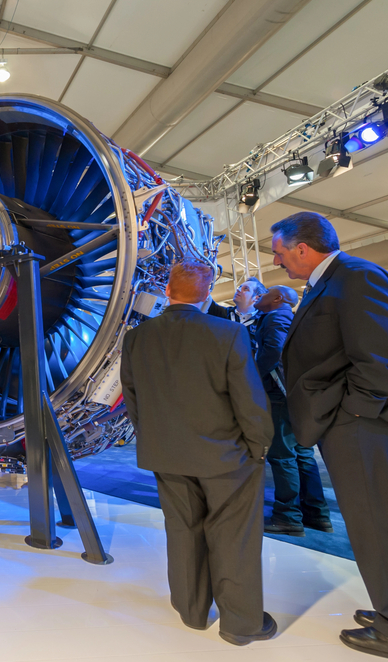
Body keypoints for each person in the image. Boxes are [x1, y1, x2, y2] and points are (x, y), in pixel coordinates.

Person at [272, 212, 388, 660]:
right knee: (382, 524)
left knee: (376, 527)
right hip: (355, 423)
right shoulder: (334, 281)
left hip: (359, 424)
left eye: (279, 252)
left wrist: (351, 413)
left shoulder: (356, 277)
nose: (277, 261)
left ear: (302, 248)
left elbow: (383, 359)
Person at [121, 260, 276, 646]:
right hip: (226, 456)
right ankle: (240, 624)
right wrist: (259, 446)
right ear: (207, 295)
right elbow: (249, 399)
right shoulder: (229, 333)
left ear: (167, 290)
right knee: (234, 536)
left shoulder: (138, 338)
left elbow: (133, 399)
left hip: (166, 454)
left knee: (182, 530)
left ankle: (191, 611)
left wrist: (154, 439)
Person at [253, 286, 331, 537]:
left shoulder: (276, 317)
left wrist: (252, 376)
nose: (259, 296)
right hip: (295, 395)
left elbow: (274, 350)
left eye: (265, 293)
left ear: (278, 298)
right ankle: (316, 514)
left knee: (283, 456)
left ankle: (287, 517)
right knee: (302, 454)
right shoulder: (290, 317)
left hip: (280, 395)